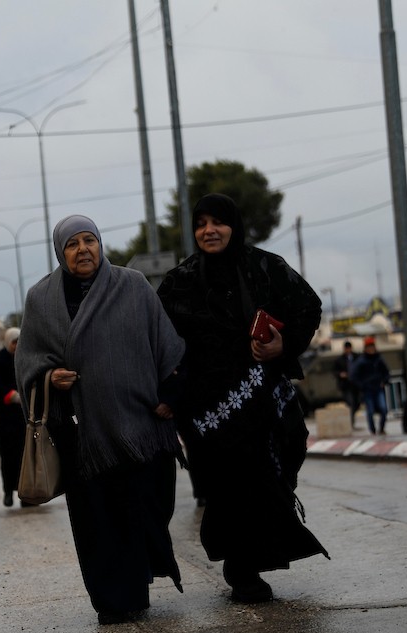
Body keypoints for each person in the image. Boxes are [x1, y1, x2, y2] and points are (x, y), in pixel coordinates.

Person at [15, 214, 186, 625]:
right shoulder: (42, 299)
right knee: (97, 521)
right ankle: (112, 599)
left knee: (144, 508)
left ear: (100, 244)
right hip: (80, 433)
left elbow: (165, 343)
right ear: (60, 252)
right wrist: (48, 377)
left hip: (139, 426)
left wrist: (169, 395)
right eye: (72, 245)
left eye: (89, 240)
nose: (82, 250)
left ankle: (137, 580)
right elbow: (28, 361)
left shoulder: (133, 286)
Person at [158, 193, 328, 604]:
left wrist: (282, 346)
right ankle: (243, 570)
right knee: (228, 486)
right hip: (207, 411)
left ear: (234, 225)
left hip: (266, 399)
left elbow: (309, 307)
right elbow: (159, 340)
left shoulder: (264, 267)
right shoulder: (179, 281)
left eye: (218, 222)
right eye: (201, 223)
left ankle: (263, 549)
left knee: (282, 461)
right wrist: (167, 394)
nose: (209, 231)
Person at [0, 327, 25, 507]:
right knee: (8, 458)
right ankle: (8, 491)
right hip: (5, 419)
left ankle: (27, 494)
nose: (17, 346)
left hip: (24, 418)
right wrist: (10, 395)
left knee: (26, 459)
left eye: (19, 341)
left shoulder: (26, 358)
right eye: (14, 342)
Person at [351, 336, 390, 435]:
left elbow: (386, 372)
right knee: (370, 411)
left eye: (372, 346)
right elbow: (354, 376)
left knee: (383, 409)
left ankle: (381, 428)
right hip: (367, 390)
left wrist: (384, 381)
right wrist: (362, 385)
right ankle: (373, 430)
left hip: (378, 388)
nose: (371, 349)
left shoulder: (379, 359)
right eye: (369, 347)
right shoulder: (361, 361)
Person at [333, 340, 361, 429]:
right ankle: (351, 424)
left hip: (356, 385)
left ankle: (351, 421)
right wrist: (341, 374)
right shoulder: (339, 359)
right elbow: (334, 371)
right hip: (346, 385)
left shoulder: (357, 357)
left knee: (357, 403)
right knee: (350, 403)